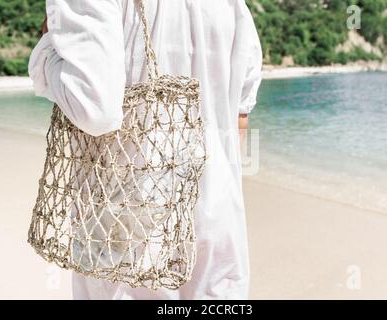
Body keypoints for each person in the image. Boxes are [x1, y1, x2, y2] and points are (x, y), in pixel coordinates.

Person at [29, 0, 262, 300]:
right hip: (217, 224)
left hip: (126, 231)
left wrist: (46, 53)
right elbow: (240, 116)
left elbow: (94, 109)